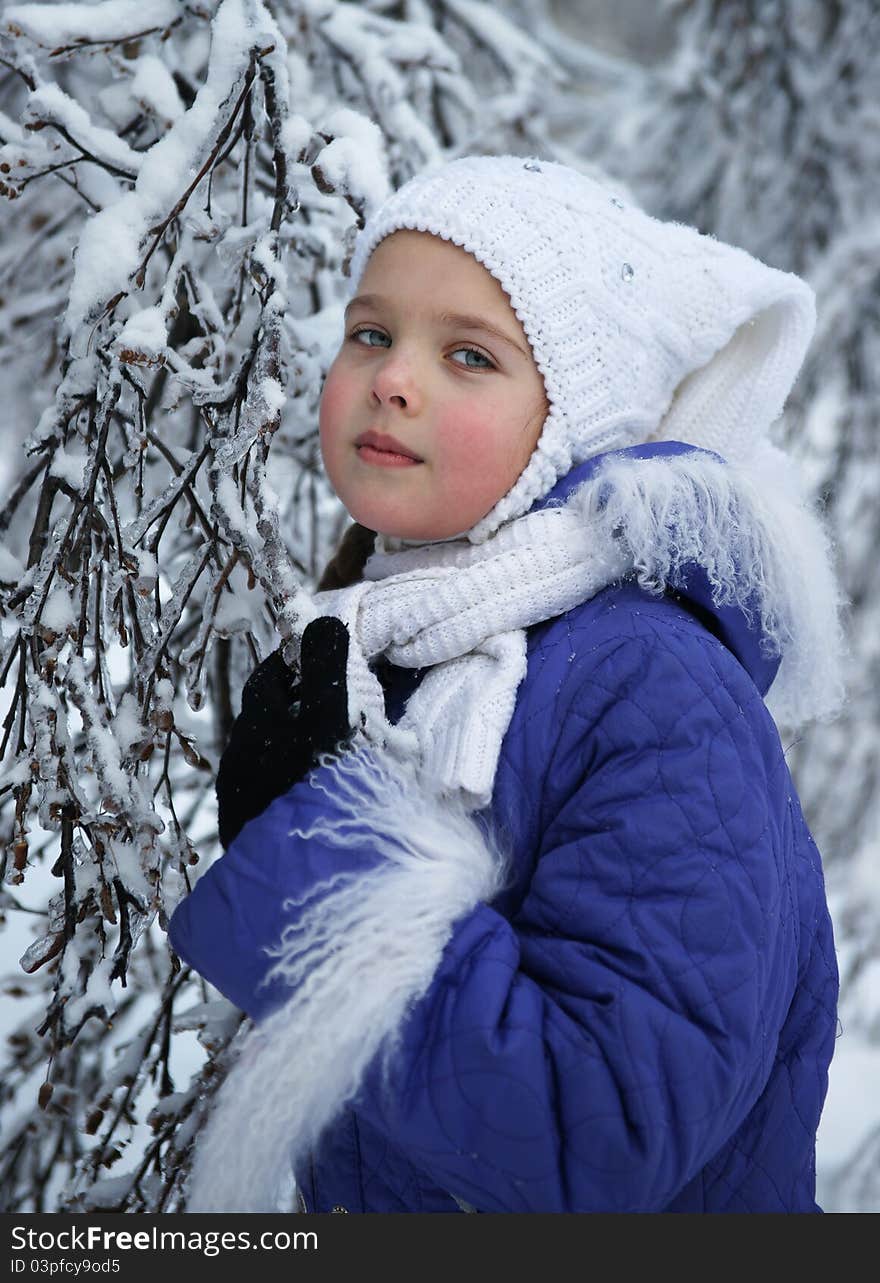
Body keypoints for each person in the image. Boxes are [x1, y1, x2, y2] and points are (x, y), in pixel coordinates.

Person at [167, 154, 846, 1214]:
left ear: (574, 423)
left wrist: (330, 857)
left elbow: (602, 1133)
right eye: (372, 332)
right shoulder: (410, 637)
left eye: (469, 354)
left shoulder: (653, 690)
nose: (394, 377)